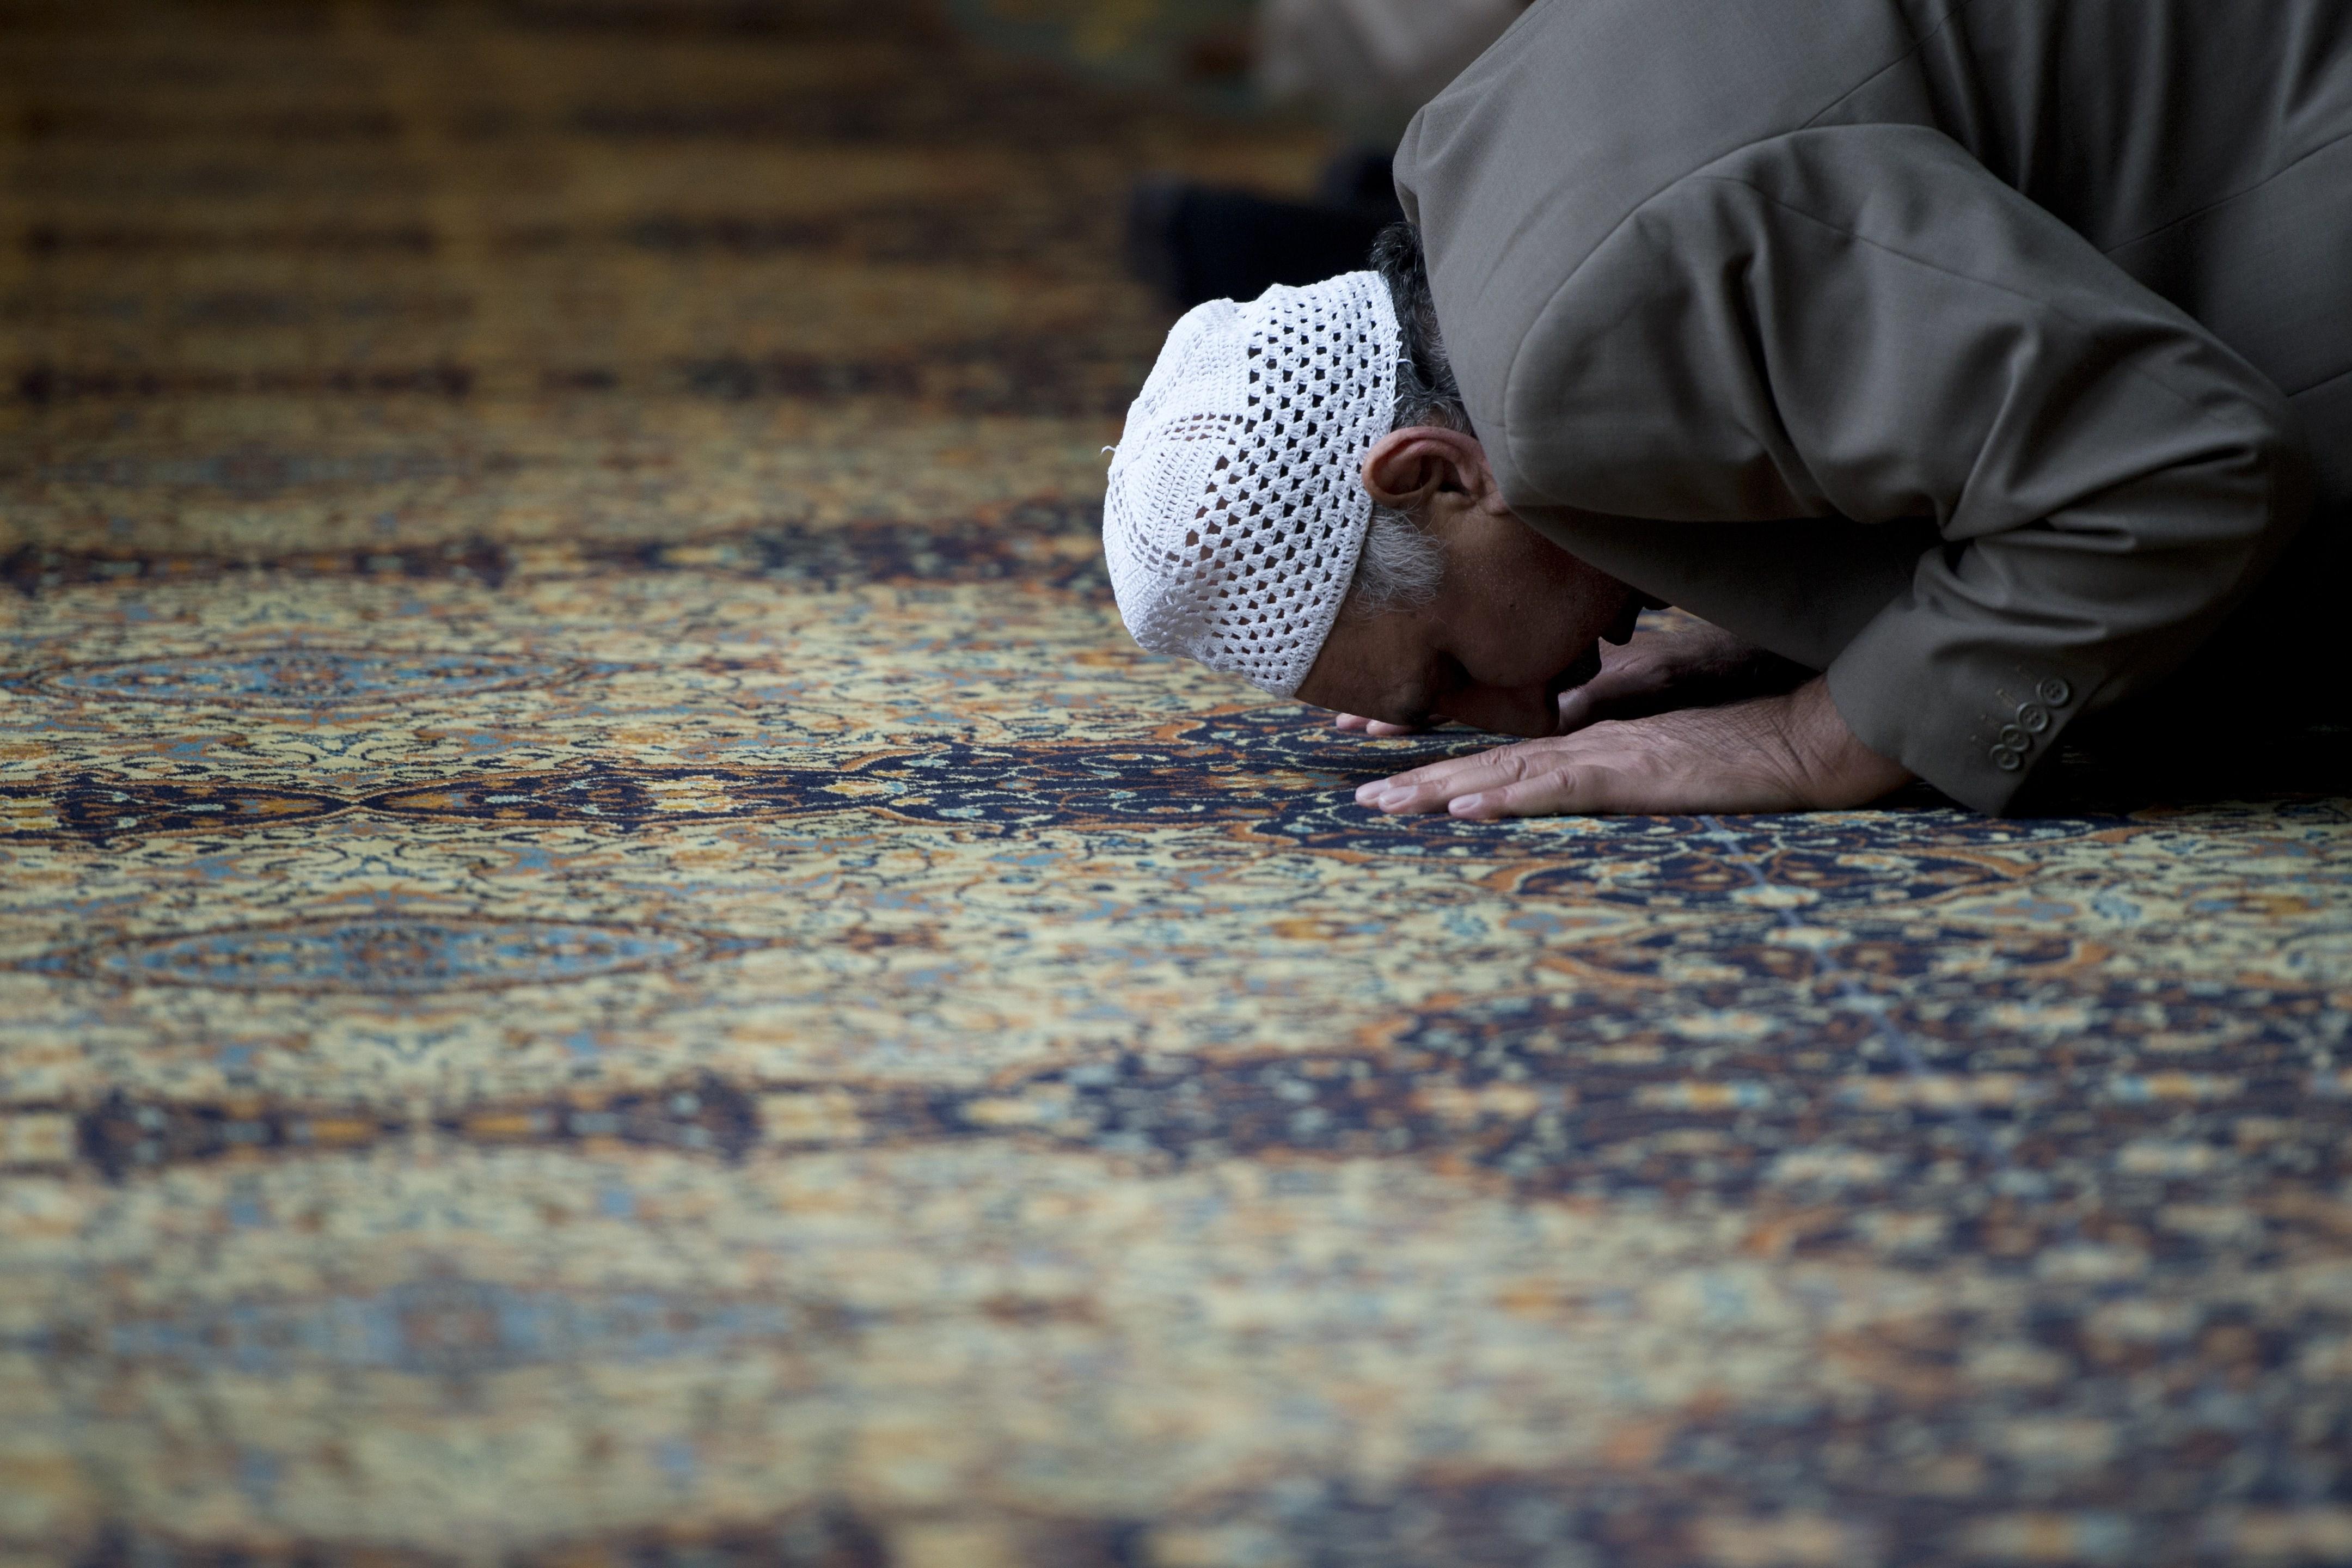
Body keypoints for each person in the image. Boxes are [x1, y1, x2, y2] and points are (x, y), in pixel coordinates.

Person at [1102, 0, 2351, 818]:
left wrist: (1820, 735)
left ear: (1435, 474)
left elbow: (2181, 469)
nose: (1527, 716)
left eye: (1454, 673)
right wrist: (1782, 633)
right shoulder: (1464, 158)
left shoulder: (1577, 346)